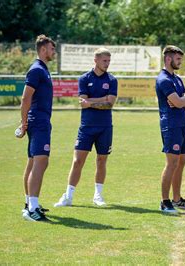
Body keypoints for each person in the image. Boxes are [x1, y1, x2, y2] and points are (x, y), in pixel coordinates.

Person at [54, 48, 117, 207]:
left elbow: (110, 103)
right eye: (105, 61)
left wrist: (91, 102)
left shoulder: (112, 80)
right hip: (86, 127)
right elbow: (83, 103)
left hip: (105, 127)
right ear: (95, 60)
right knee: (77, 161)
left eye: (109, 61)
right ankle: (68, 197)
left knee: (101, 160)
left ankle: (98, 196)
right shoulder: (84, 78)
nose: (107, 64)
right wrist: (99, 100)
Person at [20, 34, 56, 222]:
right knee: (41, 162)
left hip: (41, 120)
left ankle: (30, 204)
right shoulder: (36, 69)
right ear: (43, 49)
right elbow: (25, 98)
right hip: (38, 121)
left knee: (34, 162)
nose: (53, 52)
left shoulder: (43, 69)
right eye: (51, 49)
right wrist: (24, 121)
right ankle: (32, 208)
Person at [155, 45, 185, 213]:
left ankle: (177, 199)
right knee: (171, 163)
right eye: (178, 59)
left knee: (181, 162)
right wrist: (182, 100)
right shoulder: (164, 79)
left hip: (182, 125)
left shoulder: (176, 78)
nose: (180, 62)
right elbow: (178, 102)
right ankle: (164, 201)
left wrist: (182, 99)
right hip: (170, 125)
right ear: (168, 59)